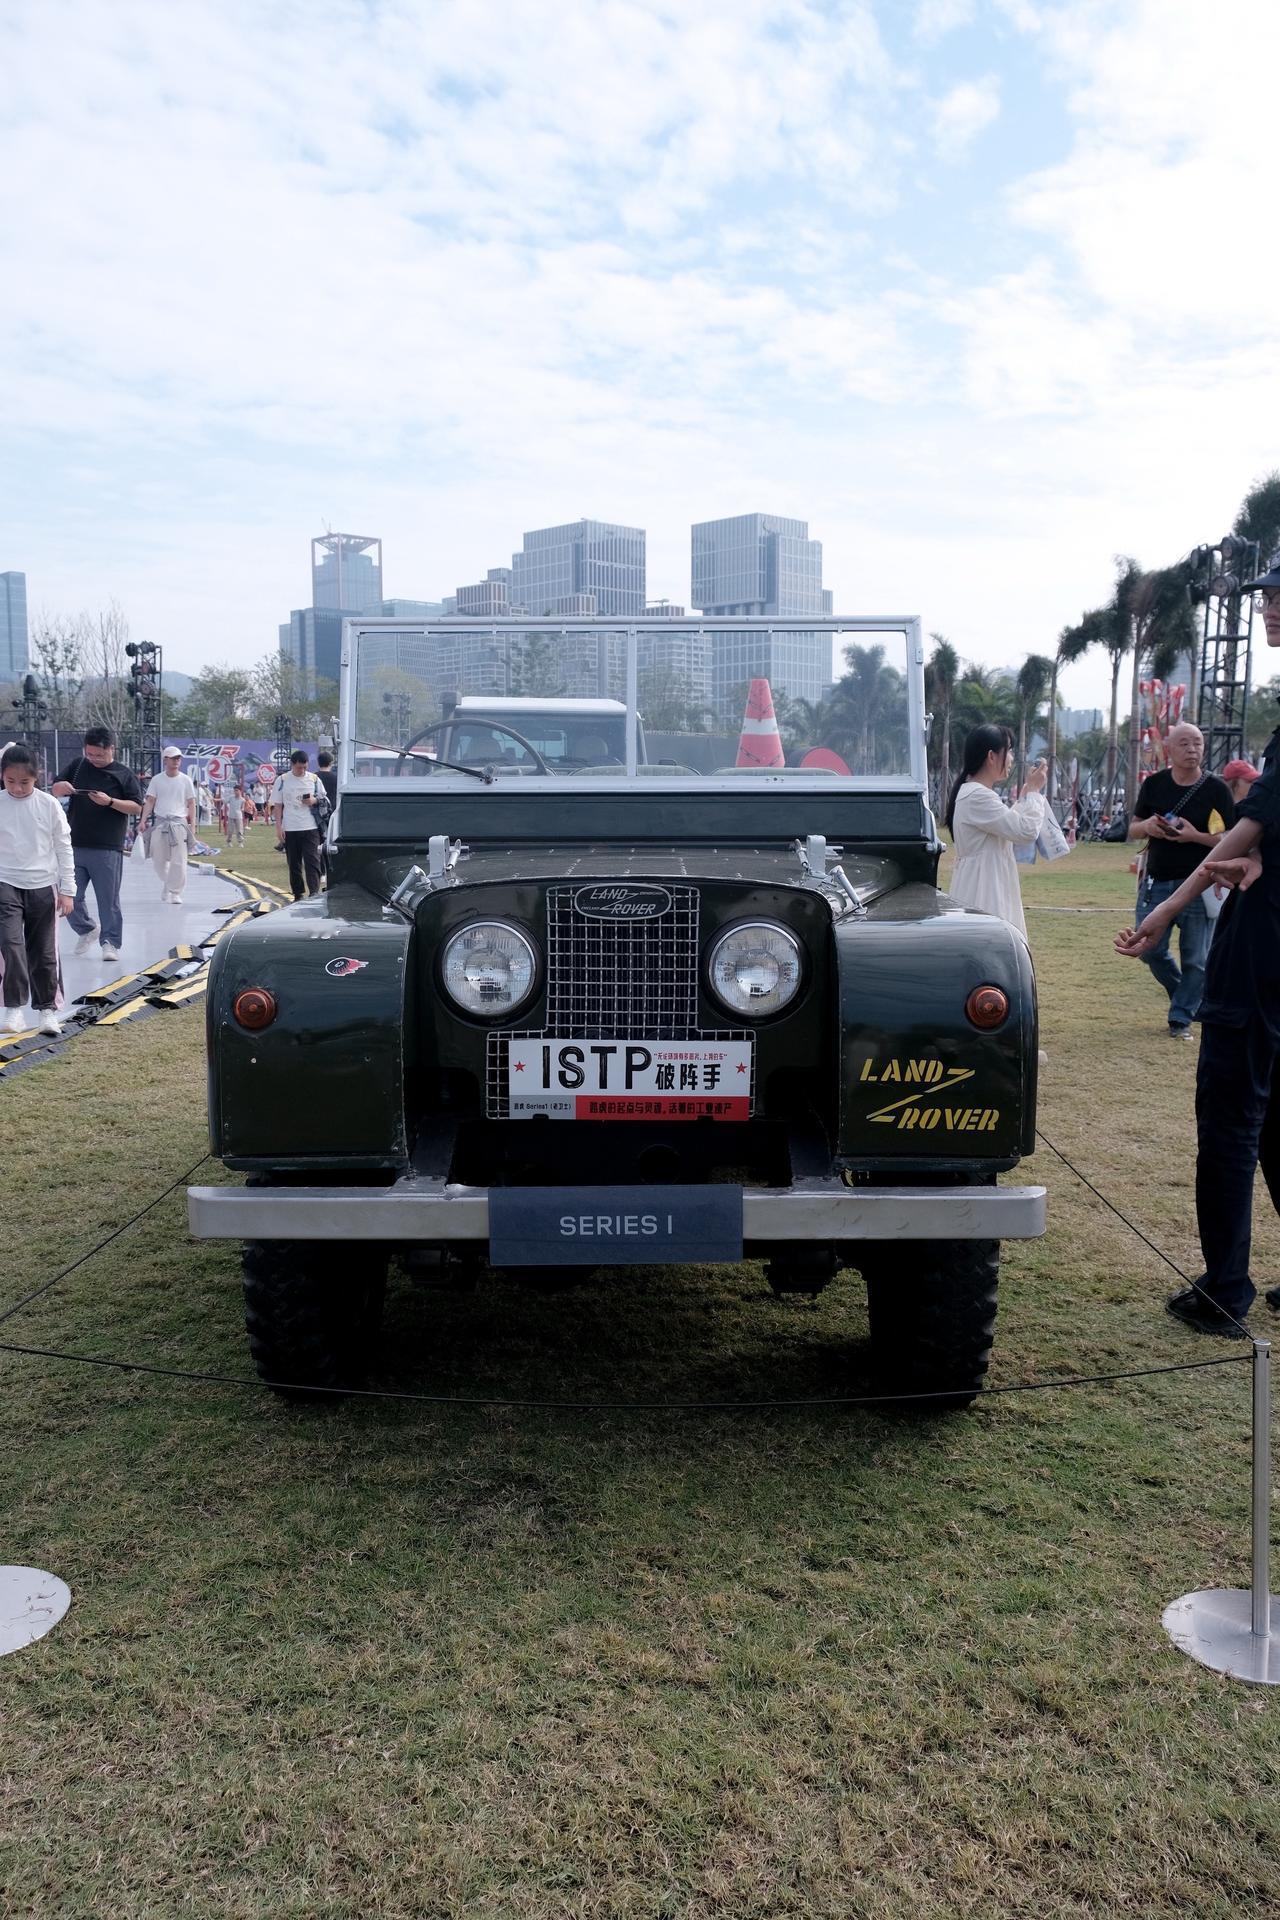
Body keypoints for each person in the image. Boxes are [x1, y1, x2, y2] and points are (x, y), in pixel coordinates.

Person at [1116, 769, 1280, 1332]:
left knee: (1230, 1124)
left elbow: (1250, 827)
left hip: (1262, 953)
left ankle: (1224, 1291)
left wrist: (1166, 908)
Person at [1125, 723, 1234, 1040]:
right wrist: (1149, 826)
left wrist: (1194, 836)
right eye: (1184, 743)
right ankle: (1185, 998)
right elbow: (1133, 828)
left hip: (1200, 883)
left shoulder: (1216, 789)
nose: (1192, 749)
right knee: (1149, 949)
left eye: (1197, 743)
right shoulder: (1154, 785)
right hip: (1157, 881)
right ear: (1169, 749)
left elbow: (1229, 838)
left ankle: (1180, 1018)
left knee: (1196, 960)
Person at [944, 724, 1046, 940]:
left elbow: (1006, 825)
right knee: (992, 948)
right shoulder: (978, 796)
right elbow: (1026, 831)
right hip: (985, 890)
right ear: (991, 756)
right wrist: (1035, 793)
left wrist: (1026, 794)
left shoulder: (972, 792)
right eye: (1009, 751)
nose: (1011, 759)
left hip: (981, 884)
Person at [52, 725, 144, 964]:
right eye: (90, 753)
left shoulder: (123, 774)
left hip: (107, 846)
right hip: (74, 843)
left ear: (111, 749)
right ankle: (86, 929)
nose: (94, 758)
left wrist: (110, 801)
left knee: (108, 899)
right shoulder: (78, 765)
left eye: (99, 755)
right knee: (69, 894)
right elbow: (55, 787)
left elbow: (137, 806)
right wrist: (61, 788)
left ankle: (110, 942)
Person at [0, 744, 75, 1036]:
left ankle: (47, 1011)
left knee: (44, 952)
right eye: (10, 781)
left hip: (43, 885)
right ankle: (14, 1009)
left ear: (37, 777)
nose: (17, 788)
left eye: (25, 782)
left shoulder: (48, 805)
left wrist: (68, 889)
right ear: (2, 776)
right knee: (10, 944)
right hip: (5, 882)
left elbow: (63, 846)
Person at [139, 746, 197, 903]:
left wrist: (193, 826)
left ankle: (175, 892)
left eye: (178, 758)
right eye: (173, 758)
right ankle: (168, 883)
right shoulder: (157, 780)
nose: (176, 761)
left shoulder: (186, 780)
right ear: (165, 760)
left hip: (179, 823)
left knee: (179, 861)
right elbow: (150, 801)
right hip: (161, 823)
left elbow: (191, 803)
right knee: (158, 860)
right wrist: (143, 820)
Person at [272, 748, 322, 901]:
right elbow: (278, 805)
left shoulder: (314, 779)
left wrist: (313, 800)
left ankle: (314, 892)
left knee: (312, 860)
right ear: (292, 764)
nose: (302, 770)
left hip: (310, 826)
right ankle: (298, 894)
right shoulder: (282, 780)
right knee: (294, 862)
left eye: (305, 767)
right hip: (291, 827)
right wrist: (279, 827)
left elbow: (322, 798)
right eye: (299, 767)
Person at [221, 775, 245, 847]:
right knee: (230, 830)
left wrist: (242, 810)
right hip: (231, 815)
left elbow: (242, 808)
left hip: (238, 816)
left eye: (237, 790)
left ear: (240, 791)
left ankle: (240, 842)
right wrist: (217, 799)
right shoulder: (231, 797)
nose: (235, 792)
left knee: (239, 830)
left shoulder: (242, 800)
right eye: (234, 790)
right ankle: (229, 842)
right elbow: (225, 801)